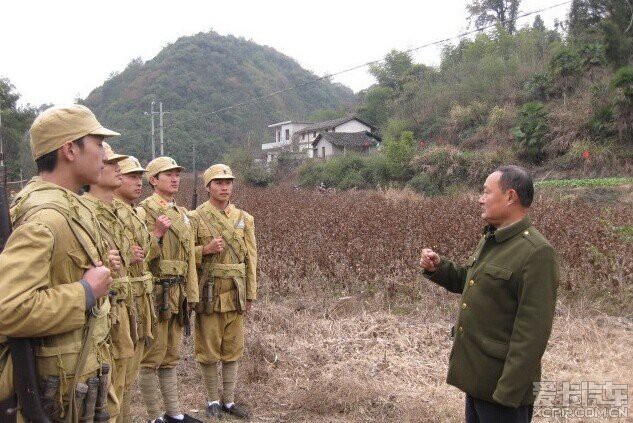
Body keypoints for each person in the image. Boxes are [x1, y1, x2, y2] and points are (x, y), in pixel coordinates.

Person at [0, 105, 122, 421]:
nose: (104, 156)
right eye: (97, 144)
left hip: (80, 384)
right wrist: (84, 291)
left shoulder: (72, 209)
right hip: (57, 396)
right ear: (70, 149)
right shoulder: (45, 220)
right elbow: (8, 309)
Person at [419, 165, 559, 423]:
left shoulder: (536, 252)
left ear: (510, 197)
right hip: (479, 378)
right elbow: (473, 283)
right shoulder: (492, 239)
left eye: (486, 192)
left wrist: (508, 392)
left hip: (503, 388)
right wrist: (440, 268)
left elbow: (532, 333)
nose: (480, 199)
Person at [189, 164, 257, 419]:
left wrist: (250, 293)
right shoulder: (195, 217)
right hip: (209, 291)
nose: (224, 186)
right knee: (208, 348)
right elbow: (186, 257)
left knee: (233, 348)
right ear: (208, 187)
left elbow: (251, 258)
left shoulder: (244, 219)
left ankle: (228, 400)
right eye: (218, 182)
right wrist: (203, 250)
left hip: (236, 291)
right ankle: (212, 400)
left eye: (228, 181)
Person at [137, 156, 199, 423]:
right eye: (168, 174)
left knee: (172, 354)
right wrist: (157, 233)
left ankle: (173, 412)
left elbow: (190, 261)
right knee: (152, 355)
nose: (175, 178)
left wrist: (192, 294)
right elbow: (139, 257)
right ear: (153, 180)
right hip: (155, 292)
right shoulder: (143, 211)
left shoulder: (183, 214)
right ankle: (153, 416)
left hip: (178, 293)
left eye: (177, 174)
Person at [81, 142, 136, 423]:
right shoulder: (84, 212)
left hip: (122, 309)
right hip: (102, 313)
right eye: (112, 163)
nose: (119, 169)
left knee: (124, 382)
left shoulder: (115, 211)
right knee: (107, 389)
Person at [113, 156, 158, 423]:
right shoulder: (112, 212)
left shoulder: (134, 212)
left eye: (139, 177)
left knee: (129, 375)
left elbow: (146, 255)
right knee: (120, 375)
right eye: (131, 176)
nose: (136, 182)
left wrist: (155, 236)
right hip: (124, 299)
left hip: (140, 298)